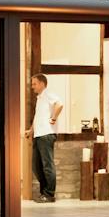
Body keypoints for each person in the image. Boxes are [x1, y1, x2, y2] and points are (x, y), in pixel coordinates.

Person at [30, 73, 63, 202]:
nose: (32, 86)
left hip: (47, 134)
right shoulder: (40, 98)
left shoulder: (49, 94)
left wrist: (54, 117)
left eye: (34, 84)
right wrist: (31, 130)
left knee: (47, 165)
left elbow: (59, 104)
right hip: (38, 134)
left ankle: (49, 194)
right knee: (36, 166)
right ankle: (44, 193)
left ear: (42, 84)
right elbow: (37, 117)